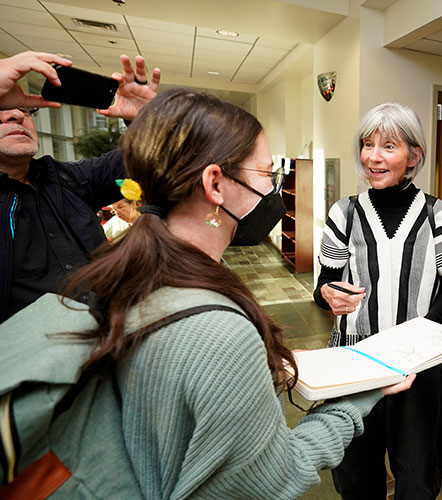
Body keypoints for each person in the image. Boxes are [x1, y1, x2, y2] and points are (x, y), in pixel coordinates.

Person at [25, 88, 413, 498]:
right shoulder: (218, 329)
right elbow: (273, 479)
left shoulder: (115, 278)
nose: (273, 190)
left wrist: (267, 365)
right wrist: (355, 400)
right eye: (266, 174)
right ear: (215, 184)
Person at [313, 102, 442, 499]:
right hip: (354, 365)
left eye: (388, 146)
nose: (373, 157)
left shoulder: (441, 215)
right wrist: (328, 296)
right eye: (367, 145)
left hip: (419, 370)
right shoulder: (343, 213)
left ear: (413, 156)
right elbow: (323, 287)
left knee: (417, 478)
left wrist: (414, 340)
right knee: (356, 477)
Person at [0, 50, 160, 321]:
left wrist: (144, 121)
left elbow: (136, 161)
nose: (15, 115)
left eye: (23, 110)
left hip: (107, 335)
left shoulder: (66, 179)